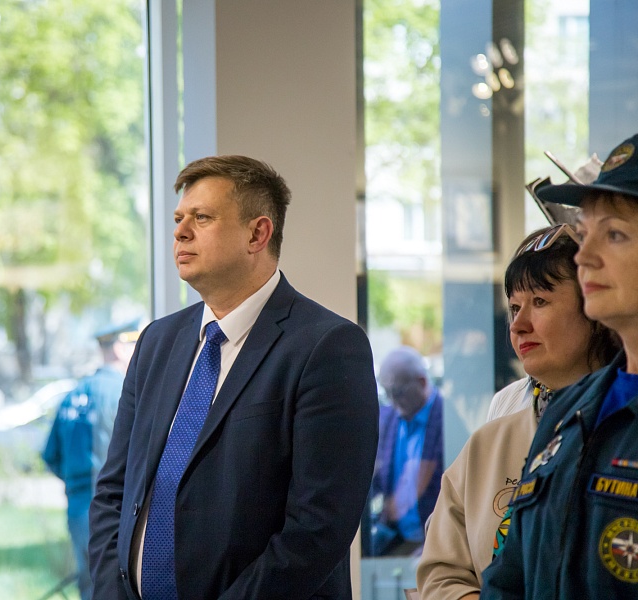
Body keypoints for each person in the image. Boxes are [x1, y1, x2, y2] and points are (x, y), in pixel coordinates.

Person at [88, 155, 379, 600]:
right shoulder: (157, 342)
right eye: (179, 219)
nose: (180, 232)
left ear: (257, 234)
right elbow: (114, 493)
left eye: (202, 218)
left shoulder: (328, 347)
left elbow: (318, 528)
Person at [417, 224, 620, 599]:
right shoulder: (495, 430)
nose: (519, 325)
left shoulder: (625, 425)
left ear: (594, 308)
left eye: (540, 301)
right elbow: (442, 570)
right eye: (514, 308)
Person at [480, 133, 638, 598]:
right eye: (585, 234)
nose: (584, 256)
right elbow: (508, 580)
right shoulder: (566, 413)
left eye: (614, 234)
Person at [42, 321, 137, 600]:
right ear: (119, 348)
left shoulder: (73, 395)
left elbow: (51, 456)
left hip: (78, 508)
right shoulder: (124, 392)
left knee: (89, 586)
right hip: (114, 510)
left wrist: (77, 484)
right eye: (134, 345)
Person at [364, 346, 444, 557]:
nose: (392, 401)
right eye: (387, 393)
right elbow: (376, 478)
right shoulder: (387, 418)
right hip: (397, 541)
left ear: (422, 382)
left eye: (397, 392)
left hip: (436, 543)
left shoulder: (447, 418)